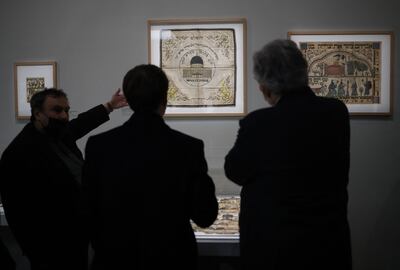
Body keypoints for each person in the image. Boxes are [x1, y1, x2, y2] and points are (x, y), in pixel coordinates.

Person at [224, 39, 351, 270]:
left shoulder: (259, 123)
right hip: (327, 241)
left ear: (266, 85)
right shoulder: (336, 112)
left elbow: (234, 171)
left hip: (275, 246)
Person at [82, 64, 218, 270]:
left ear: (128, 99)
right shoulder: (188, 148)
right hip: (171, 258)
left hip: (115, 257)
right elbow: (205, 215)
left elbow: (88, 212)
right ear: (164, 98)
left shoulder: (99, 146)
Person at [0, 88, 127, 270]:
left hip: (77, 235)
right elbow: (16, 209)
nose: (63, 116)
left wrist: (110, 105)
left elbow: (82, 123)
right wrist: (33, 249)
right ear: (37, 113)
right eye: (56, 110)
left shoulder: (59, 134)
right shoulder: (19, 152)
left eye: (66, 110)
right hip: (50, 245)